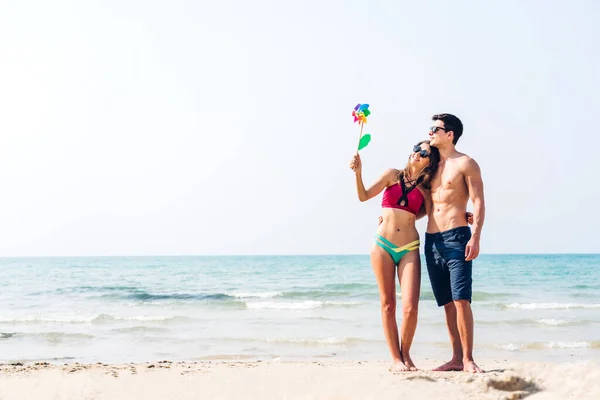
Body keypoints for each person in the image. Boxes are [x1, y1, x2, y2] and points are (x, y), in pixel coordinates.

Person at [349, 140, 440, 372]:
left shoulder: (426, 189)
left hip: (409, 247)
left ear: (431, 162)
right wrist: (358, 173)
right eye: (416, 149)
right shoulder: (392, 174)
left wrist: (463, 216)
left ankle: (406, 355)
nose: (417, 154)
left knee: (411, 308)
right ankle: (396, 359)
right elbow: (363, 196)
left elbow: (434, 215)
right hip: (382, 245)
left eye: (424, 153)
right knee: (388, 304)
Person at [424, 113, 485, 373]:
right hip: (431, 241)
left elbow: (479, 200)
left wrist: (476, 235)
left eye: (435, 129)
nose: (430, 133)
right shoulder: (430, 165)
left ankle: (469, 359)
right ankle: (456, 358)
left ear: (450, 135)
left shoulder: (466, 163)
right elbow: (419, 201)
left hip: (457, 237)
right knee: (447, 303)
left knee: (462, 300)